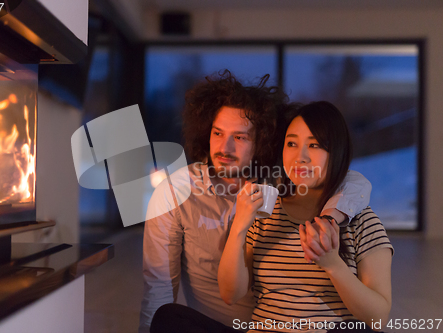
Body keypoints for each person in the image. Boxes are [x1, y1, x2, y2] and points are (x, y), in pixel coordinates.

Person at [140, 72, 372, 333]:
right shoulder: (176, 190)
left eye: (240, 137)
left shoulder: (278, 180)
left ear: (262, 141)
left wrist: (330, 219)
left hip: (282, 325)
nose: (224, 147)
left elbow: (353, 180)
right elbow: (158, 286)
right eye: (218, 133)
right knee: (167, 317)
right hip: (217, 327)